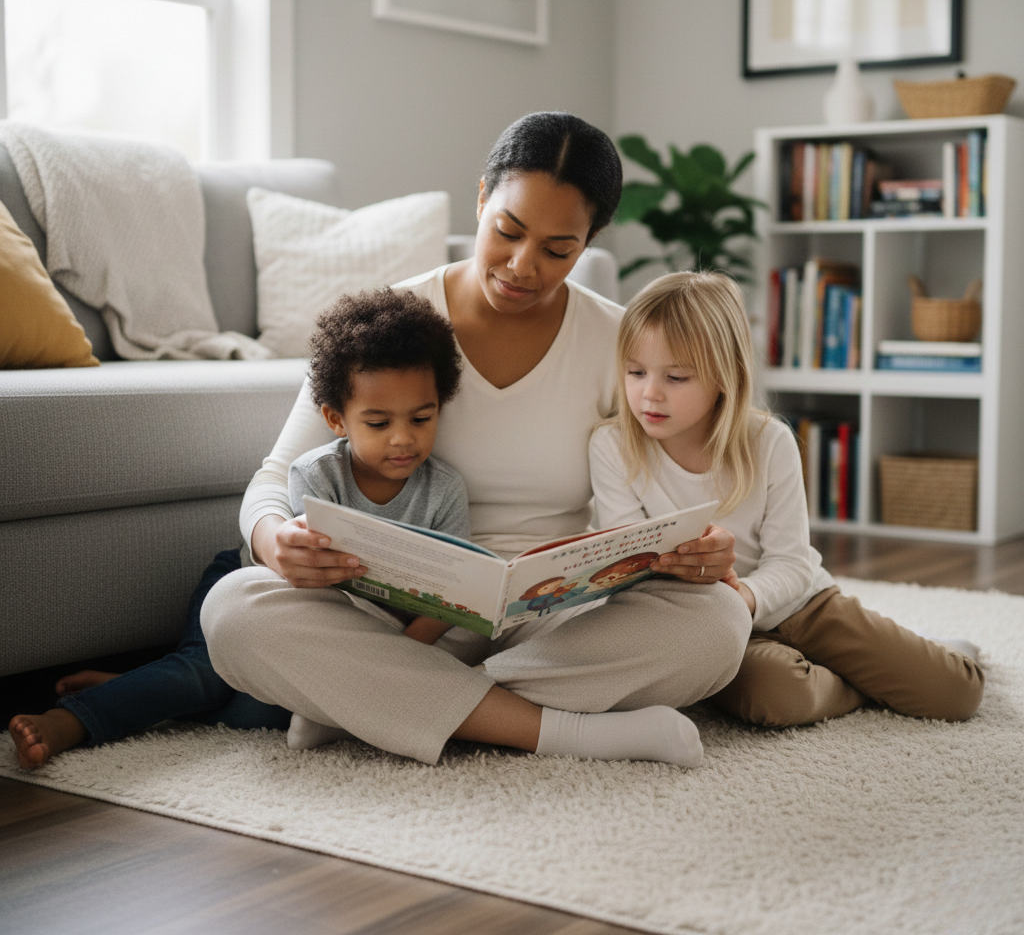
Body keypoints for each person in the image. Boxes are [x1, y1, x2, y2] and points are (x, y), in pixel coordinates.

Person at [200, 111, 752, 769]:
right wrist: (272, 539)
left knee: (718, 623)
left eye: (557, 250)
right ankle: (562, 731)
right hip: (397, 620)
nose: (522, 266)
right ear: (483, 197)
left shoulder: (621, 344)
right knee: (234, 611)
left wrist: (696, 547)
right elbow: (274, 477)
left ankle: (370, 701)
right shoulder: (391, 323)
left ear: (589, 241)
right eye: (508, 232)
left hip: (553, 625)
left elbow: (668, 493)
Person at [8, 287, 469, 769]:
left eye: (422, 418)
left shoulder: (444, 490)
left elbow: (452, 595)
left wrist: (398, 659)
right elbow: (301, 594)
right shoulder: (316, 476)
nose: (403, 439)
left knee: (258, 714)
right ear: (337, 420)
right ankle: (73, 720)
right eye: (378, 423)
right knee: (204, 676)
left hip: (342, 636)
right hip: (250, 591)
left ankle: (138, 686)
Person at [588, 270, 984, 729]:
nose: (649, 393)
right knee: (776, 697)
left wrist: (746, 595)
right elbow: (630, 569)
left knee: (956, 693)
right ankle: (865, 682)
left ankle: (921, 654)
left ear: (724, 377)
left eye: (675, 377)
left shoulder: (769, 441)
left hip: (801, 604)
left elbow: (792, 564)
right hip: (707, 625)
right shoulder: (612, 446)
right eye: (635, 372)